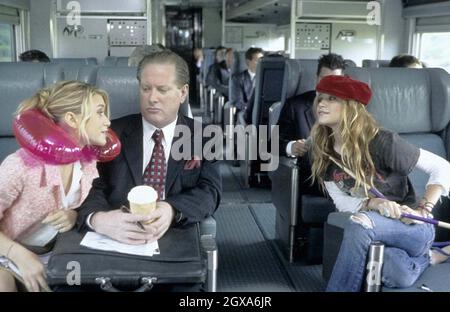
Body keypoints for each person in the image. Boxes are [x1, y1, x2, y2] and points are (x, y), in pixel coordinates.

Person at [77, 50, 222, 290]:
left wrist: (171, 209)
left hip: (174, 232)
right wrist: (98, 219)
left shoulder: (204, 136)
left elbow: (210, 192)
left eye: (162, 90)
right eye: (145, 89)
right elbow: (91, 186)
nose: (152, 98)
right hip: (113, 234)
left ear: (183, 92)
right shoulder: (109, 134)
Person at [309, 75, 450, 291]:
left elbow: (442, 167)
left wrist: (424, 209)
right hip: (375, 227)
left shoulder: (382, 141)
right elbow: (341, 202)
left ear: (351, 107)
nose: (322, 104)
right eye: (320, 98)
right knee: (396, 273)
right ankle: (431, 256)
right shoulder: (325, 152)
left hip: (412, 226)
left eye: (332, 99)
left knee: (360, 223)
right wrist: (372, 204)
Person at [0, 81, 112, 292]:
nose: (107, 121)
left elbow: (83, 205)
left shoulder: (87, 163)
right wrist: (18, 254)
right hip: (8, 251)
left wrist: (73, 215)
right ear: (72, 119)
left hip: (53, 252)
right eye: (99, 113)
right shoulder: (19, 166)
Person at [278, 53, 345, 158]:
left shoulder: (350, 108)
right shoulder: (295, 106)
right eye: (325, 79)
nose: (330, 85)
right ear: (316, 78)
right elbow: (273, 143)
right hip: (309, 170)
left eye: (336, 80)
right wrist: (291, 147)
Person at [230, 47, 264, 116]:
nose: (261, 64)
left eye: (262, 61)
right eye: (258, 61)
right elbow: (238, 102)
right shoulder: (237, 79)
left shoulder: (265, 78)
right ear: (248, 62)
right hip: (245, 113)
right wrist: (254, 110)